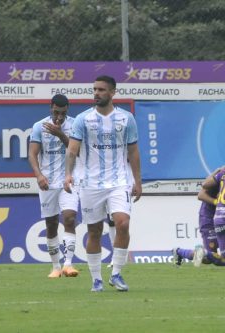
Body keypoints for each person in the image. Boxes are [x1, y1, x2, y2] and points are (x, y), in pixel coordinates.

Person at [64, 75, 142, 292]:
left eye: (101, 90)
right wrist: (67, 174)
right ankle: (96, 279)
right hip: (90, 183)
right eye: (94, 89)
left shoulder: (126, 119)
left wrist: (138, 180)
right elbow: (72, 150)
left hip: (120, 181)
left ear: (112, 92)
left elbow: (133, 151)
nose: (96, 93)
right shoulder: (83, 119)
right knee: (95, 231)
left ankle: (116, 273)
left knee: (123, 223)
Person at [29, 94, 80, 278]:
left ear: (68, 110)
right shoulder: (39, 126)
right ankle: (55, 267)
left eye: (63, 113)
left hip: (69, 179)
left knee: (69, 217)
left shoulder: (75, 125)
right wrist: (39, 175)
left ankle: (68, 265)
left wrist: (60, 134)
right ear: (51, 107)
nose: (59, 116)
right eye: (56, 112)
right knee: (51, 224)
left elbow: (78, 151)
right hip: (48, 182)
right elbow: (33, 154)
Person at [173, 167, 223, 267]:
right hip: (208, 218)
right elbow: (200, 195)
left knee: (224, 253)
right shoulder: (219, 179)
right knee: (209, 258)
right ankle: (179, 252)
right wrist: (217, 202)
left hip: (223, 218)